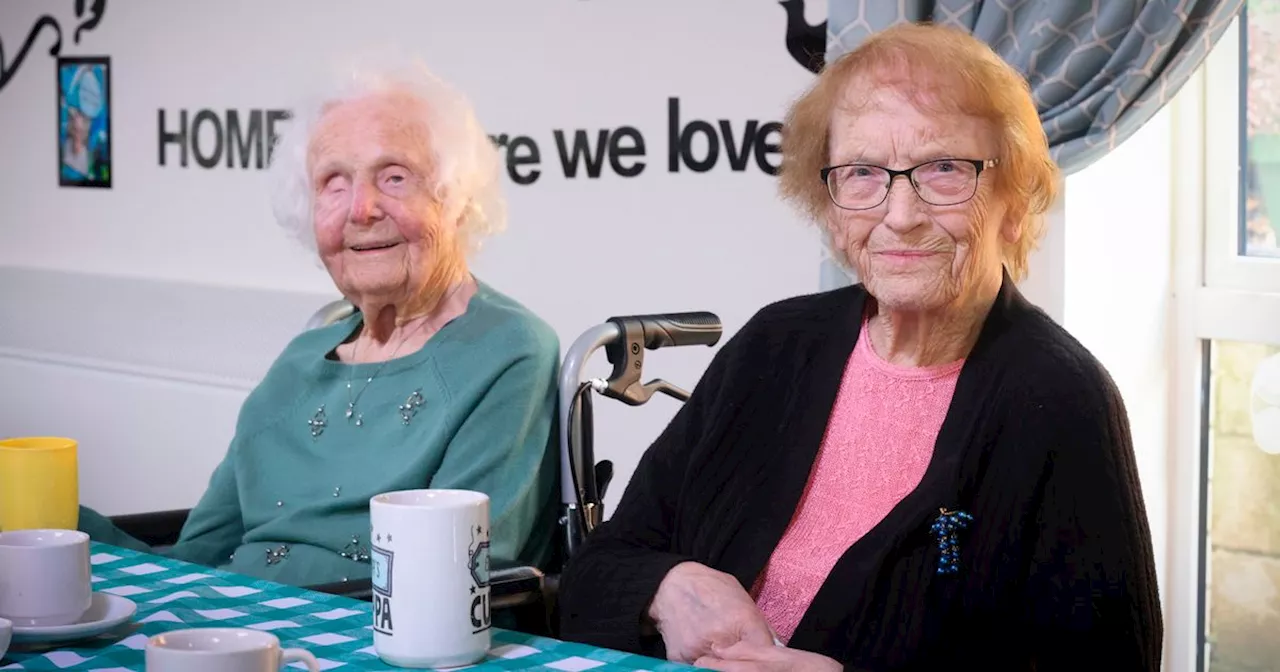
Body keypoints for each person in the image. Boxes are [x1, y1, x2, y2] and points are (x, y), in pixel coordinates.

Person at [557, 23, 1162, 671]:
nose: (900, 213)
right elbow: (598, 570)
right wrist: (665, 590)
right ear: (829, 200)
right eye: (864, 173)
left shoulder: (1061, 400)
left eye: (944, 168)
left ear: (1012, 200)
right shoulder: (774, 346)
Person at [79, 58, 561, 589]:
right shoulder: (298, 364)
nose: (362, 208)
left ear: (457, 200)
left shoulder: (506, 351)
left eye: (395, 177)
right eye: (333, 183)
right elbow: (194, 560)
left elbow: (457, 575)